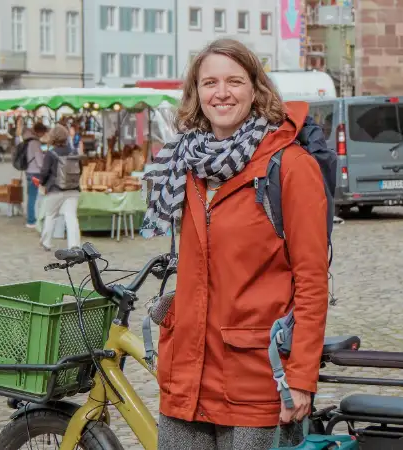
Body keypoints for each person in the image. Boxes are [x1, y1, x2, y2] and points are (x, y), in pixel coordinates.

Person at [140, 38, 330, 449]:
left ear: (255, 89)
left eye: (234, 81)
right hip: (185, 380)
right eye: (209, 82)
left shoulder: (291, 167)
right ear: (196, 93)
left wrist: (300, 377)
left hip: (256, 380)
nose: (221, 92)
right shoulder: (183, 164)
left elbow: (312, 281)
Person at [34, 124, 81, 252]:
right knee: (71, 216)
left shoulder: (51, 153)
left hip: (55, 189)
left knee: (51, 215)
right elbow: (80, 170)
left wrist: (42, 184)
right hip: (73, 189)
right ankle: (74, 244)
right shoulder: (74, 152)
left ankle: (46, 242)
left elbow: (44, 172)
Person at [22, 122, 48, 228]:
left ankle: (31, 218)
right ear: (40, 132)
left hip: (29, 171)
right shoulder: (35, 143)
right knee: (35, 196)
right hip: (35, 172)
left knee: (31, 196)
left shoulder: (28, 141)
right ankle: (31, 220)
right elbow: (39, 161)